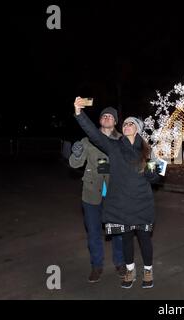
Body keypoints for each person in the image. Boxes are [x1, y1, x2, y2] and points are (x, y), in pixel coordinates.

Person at [73, 97, 160, 289]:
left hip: (142, 203)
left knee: (144, 239)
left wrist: (153, 172)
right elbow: (94, 135)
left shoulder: (147, 152)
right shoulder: (114, 148)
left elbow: (155, 178)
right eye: (125, 123)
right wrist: (79, 113)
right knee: (127, 239)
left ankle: (147, 270)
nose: (127, 125)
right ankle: (129, 270)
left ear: (137, 129)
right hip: (121, 203)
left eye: (131, 123)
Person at [69, 106, 125, 283]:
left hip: (115, 194)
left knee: (118, 232)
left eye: (111, 116)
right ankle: (97, 266)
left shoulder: (123, 141)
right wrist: (76, 153)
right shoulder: (88, 140)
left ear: (115, 122)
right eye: (104, 115)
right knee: (93, 232)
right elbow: (74, 164)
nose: (107, 117)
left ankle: (120, 262)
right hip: (92, 194)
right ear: (100, 120)